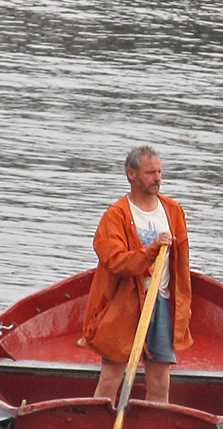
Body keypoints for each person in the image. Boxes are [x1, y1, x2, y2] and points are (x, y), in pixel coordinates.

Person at [81, 146, 193, 404]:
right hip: (124, 305)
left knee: (160, 380)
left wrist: (183, 307)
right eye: (150, 173)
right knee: (111, 376)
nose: (158, 178)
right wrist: (151, 251)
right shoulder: (116, 215)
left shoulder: (173, 210)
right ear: (131, 174)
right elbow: (117, 262)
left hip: (161, 301)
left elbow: (181, 266)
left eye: (160, 172)